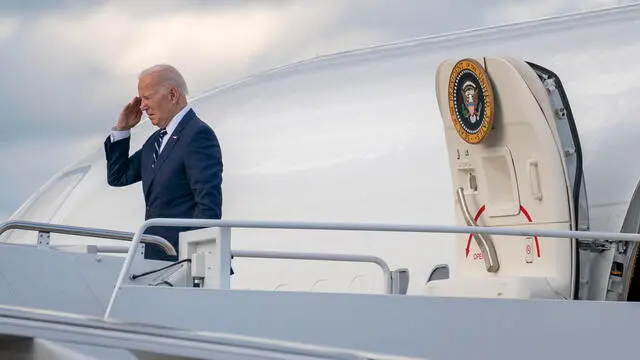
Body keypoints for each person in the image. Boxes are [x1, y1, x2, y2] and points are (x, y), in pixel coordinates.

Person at [104, 64, 224, 265]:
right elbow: (118, 177)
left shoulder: (197, 135)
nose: (141, 106)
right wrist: (122, 130)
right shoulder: (156, 141)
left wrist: (191, 261)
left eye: (147, 97)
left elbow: (208, 205)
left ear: (173, 94)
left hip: (183, 263)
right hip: (155, 260)